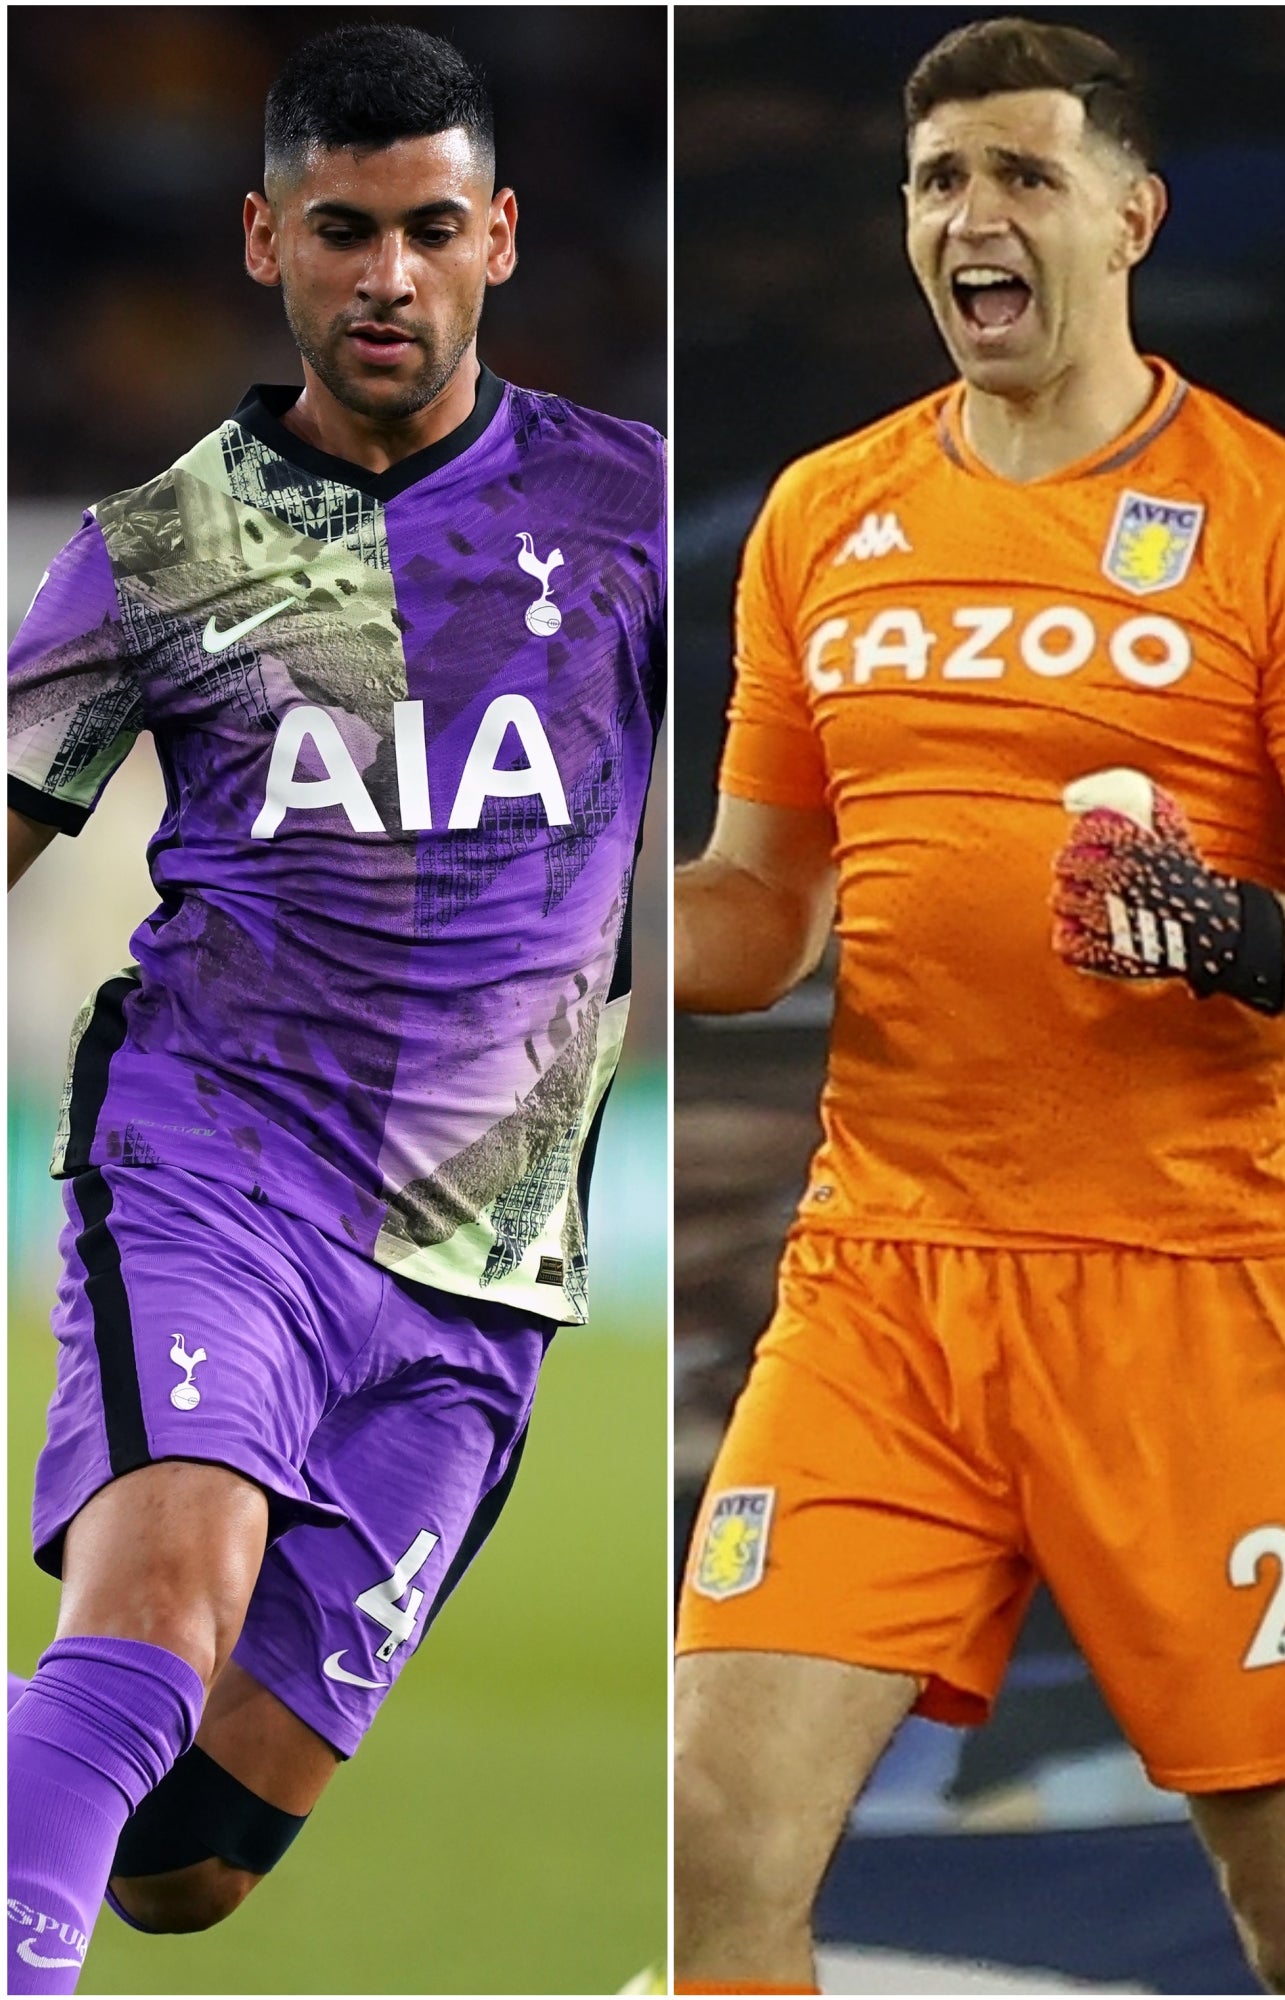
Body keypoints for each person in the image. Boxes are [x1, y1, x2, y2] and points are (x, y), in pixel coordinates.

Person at [672, 17, 1285, 1995]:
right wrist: (573, 919)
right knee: (717, 1841)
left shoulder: (1276, 518)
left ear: (1128, 215)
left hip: (1198, 1287)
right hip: (888, 1274)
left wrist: (1208, 925)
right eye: (940, 181)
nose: (974, 215)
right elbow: (755, 911)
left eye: (1022, 175)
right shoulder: (822, 516)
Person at [5, 24, 664, 1992]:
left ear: (503, 238)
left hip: (478, 1266)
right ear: (264, 241)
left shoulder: (641, 521)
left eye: (430, 229)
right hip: (217, 1176)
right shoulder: (155, 551)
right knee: (159, 1600)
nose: (389, 272)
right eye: (344, 230)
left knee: (190, 1860)